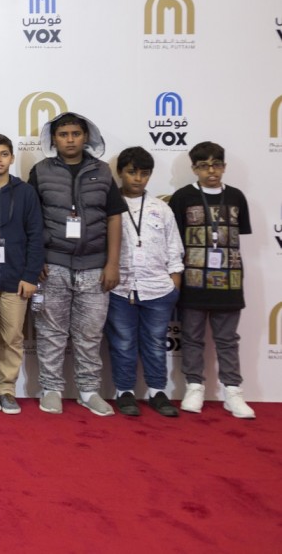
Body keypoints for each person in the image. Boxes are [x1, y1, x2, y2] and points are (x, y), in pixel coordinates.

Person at [27, 112, 124, 417]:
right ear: (54, 139)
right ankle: (51, 389)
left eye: (76, 134)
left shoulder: (102, 171)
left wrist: (112, 264)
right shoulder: (40, 171)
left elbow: (114, 218)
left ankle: (89, 391)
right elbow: (31, 219)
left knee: (90, 335)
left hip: (95, 268)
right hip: (52, 265)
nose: (70, 140)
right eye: (63, 134)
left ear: (86, 137)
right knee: (50, 333)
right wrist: (36, 259)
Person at [169, 142, 255, 419]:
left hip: (229, 283)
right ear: (194, 168)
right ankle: (194, 386)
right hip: (193, 282)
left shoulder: (236, 197)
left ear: (224, 166)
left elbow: (238, 235)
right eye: (204, 166)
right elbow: (173, 242)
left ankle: (233, 391)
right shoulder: (182, 197)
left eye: (216, 164)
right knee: (192, 338)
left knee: (227, 340)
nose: (211, 171)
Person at [105, 147, 183, 418]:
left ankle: (157, 391)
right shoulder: (108, 205)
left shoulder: (161, 209)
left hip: (158, 289)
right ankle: (124, 391)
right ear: (120, 172)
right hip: (120, 289)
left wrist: (174, 283)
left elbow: (174, 247)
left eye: (144, 173)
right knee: (123, 343)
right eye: (132, 172)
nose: (138, 178)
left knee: (155, 343)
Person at [0, 134, 44, 416]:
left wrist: (30, 276)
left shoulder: (26, 192)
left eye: (4, 154)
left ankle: (7, 389)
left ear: (12, 158)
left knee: (13, 337)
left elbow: (36, 236)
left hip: (17, 278)